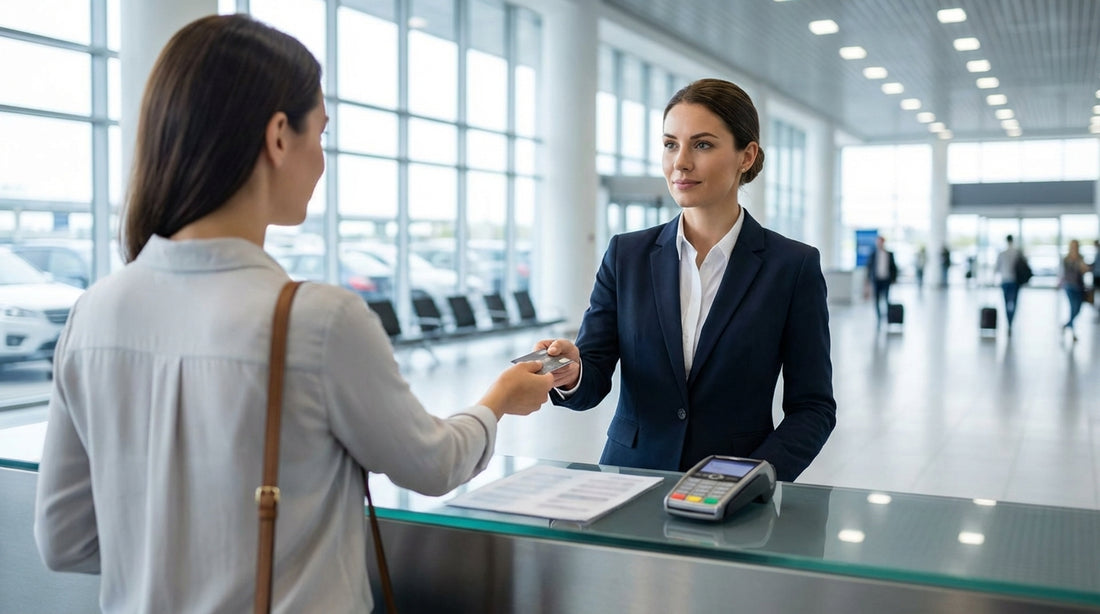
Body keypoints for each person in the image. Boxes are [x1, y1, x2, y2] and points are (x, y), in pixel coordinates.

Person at [32, 15, 555, 613]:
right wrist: (497, 401)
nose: (323, 161)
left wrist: (177, 555)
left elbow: (65, 539)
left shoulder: (93, 314)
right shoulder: (317, 320)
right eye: (321, 135)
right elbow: (434, 463)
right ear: (279, 136)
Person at [535, 78, 836, 483]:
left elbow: (813, 407)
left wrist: (753, 477)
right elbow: (593, 376)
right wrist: (572, 372)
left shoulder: (791, 266)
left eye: (703, 144)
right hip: (629, 479)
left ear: (746, 156)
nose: (680, 162)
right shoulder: (627, 255)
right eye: (670, 144)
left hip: (732, 488)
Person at [865, 235, 897, 324]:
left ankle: (887, 317)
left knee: (886, 299)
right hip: (876, 280)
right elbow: (869, 267)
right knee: (877, 299)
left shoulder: (889, 254)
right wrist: (867, 281)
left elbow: (893, 267)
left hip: (886, 280)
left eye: (881, 242)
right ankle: (879, 317)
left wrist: (894, 279)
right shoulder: (873, 254)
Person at [1060, 239, 1088, 341]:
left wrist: (1083, 267)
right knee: (1073, 308)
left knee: (1078, 309)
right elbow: (1063, 273)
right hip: (1069, 286)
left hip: (1079, 287)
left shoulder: (1081, 258)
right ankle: (1073, 333)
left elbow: (1085, 271)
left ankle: (1066, 325)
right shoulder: (1066, 259)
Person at [995, 235, 1023, 332]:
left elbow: (997, 268)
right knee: (1014, 302)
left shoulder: (1002, 253)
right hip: (1015, 281)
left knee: (1006, 302)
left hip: (1005, 281)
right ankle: (1011, 322)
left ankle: (1008, 321)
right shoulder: (1017, 253)